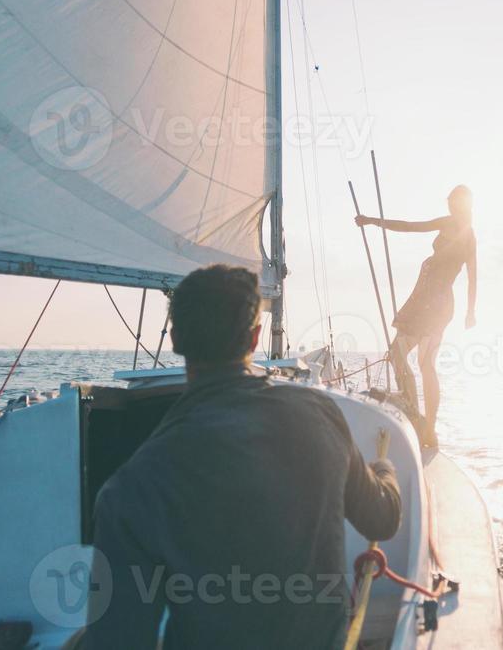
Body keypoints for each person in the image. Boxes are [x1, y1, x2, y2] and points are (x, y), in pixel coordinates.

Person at [84, 265, 402, 650]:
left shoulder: (129, 490)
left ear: (175, 338)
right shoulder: (320, 415)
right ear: (254, 338)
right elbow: (383, 519)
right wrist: (384, 469)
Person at [355, 184, 477, 449]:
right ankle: (415, 416)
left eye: (455, 203)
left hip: (437, 302)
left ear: (463, 205)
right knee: (398, 354)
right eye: (450, 202)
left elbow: (472, 276)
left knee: (425, 363)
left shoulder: (468, 235)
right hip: (422, 298)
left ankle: (427, 427)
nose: (451, 207)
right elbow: (409, 226)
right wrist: (372, 222)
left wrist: (471, 311)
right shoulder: (447, 223)